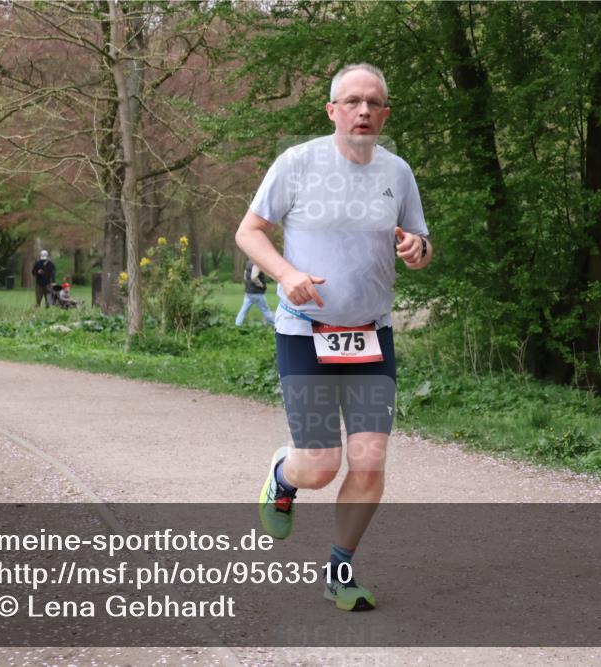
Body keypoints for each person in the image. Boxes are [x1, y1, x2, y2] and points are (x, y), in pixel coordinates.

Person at [235, 63, 433, 612]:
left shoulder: (398, 172)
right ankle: (283, 474)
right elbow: (248, 232)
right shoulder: (297, 164)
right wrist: (286, 275)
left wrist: (418, 250)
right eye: (352, 101)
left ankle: (340, 569)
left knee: (369, 461)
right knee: (320, 466)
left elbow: (418, 241)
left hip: (371, 336)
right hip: (306, 334)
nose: (363, 111)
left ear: (385, 113)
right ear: (332, 111)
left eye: (374, 102)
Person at [235, 258, 275, 327]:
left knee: (243, 310)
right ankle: (275, 325)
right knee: (265, 310)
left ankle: (237, 325)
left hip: (248, 292)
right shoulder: (257, 263)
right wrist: (260, 284)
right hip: (257, 293)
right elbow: (253, 277)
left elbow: (245, 276)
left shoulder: (248, 262)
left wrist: (248, 283)